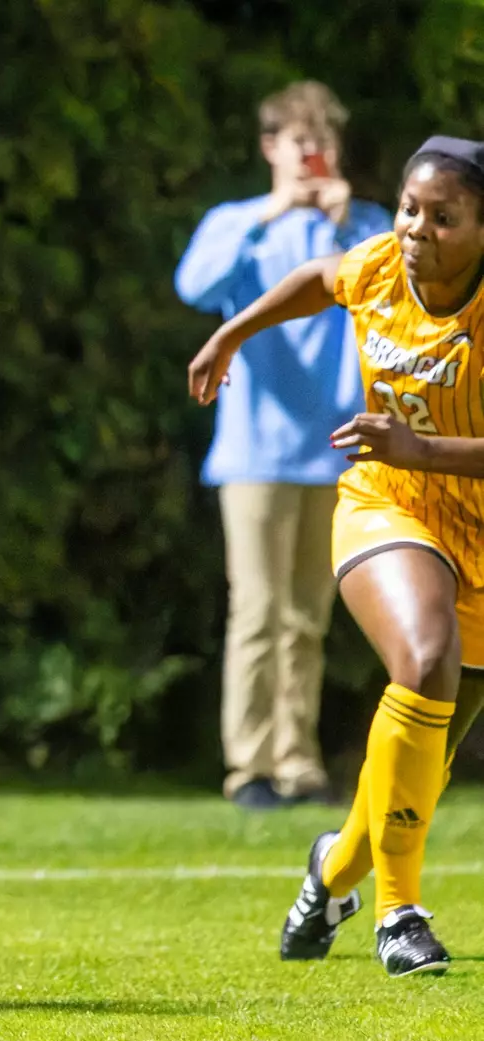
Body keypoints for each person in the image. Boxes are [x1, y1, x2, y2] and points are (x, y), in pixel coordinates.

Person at [187, 136, 484, 977]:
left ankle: (331, 872)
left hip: (476, 524)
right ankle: (401, 915)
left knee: (417, 770)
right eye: (409, 207)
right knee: (425, 660)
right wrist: (234, 333)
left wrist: (425, 447)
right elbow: (320, 280)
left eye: (443, 216)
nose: (417, 228)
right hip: (389, 502)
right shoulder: (384, 263)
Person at [175, 81, 394, 810]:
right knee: (259, 612)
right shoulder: (238, 222)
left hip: (336, 451)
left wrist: (340, 231)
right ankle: (250, 769)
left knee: (311, 617)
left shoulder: (365, 223)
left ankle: (298, 764)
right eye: (298, 141)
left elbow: (393, 300)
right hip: (254, 452)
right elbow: (195, 286)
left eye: (322, 141)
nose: (311, 154)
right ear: (270, 148)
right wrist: (275, 215)